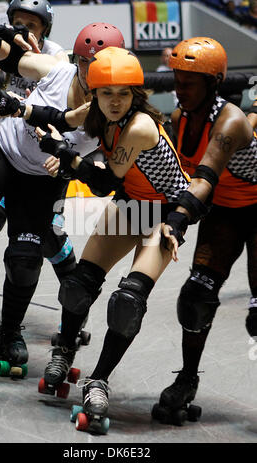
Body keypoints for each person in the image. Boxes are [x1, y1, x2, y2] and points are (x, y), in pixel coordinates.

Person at [34, 46, 192, 425]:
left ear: (136, 95)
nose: (116, 101)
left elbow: (103, 182)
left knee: (127, 302)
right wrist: (10, 108)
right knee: (78, 285)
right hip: (131, 203)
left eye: (124, 93)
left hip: (163, 215)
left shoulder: (138, 126)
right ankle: (64, 349)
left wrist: (65, 155)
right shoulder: (94, 113)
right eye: (107, 93)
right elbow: (54, 115)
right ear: (94, 94)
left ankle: (98, 381)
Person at [0, 23, 126, 369]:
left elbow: (104, 184)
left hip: (38, 179)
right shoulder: (57, 71)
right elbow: (11, 58)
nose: (93, 76)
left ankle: (8, 334)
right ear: (77, 61)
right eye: (86, 65)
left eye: (103, 71)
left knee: (25, 259)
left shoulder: (115, 115)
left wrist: (70, 163)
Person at [153, 37, 257, 423]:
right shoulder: (180, 120)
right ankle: (186, 381)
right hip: (226, 214)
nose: (179, 89)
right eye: (177, 80)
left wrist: (177, 220)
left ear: (213, 84)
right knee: (196, 297)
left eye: (189, 82)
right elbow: (178, 178)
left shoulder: (230, 120)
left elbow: (206, 175)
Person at [0, 0, 69, 320]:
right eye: (17, 22)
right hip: (2, 146)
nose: (23, 30)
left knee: (43, 243)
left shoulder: (56, 55)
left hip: (41, 159)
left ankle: (73, 311)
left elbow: (60, 97)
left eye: (30, 26)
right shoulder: (5, 46)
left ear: (44, 30)